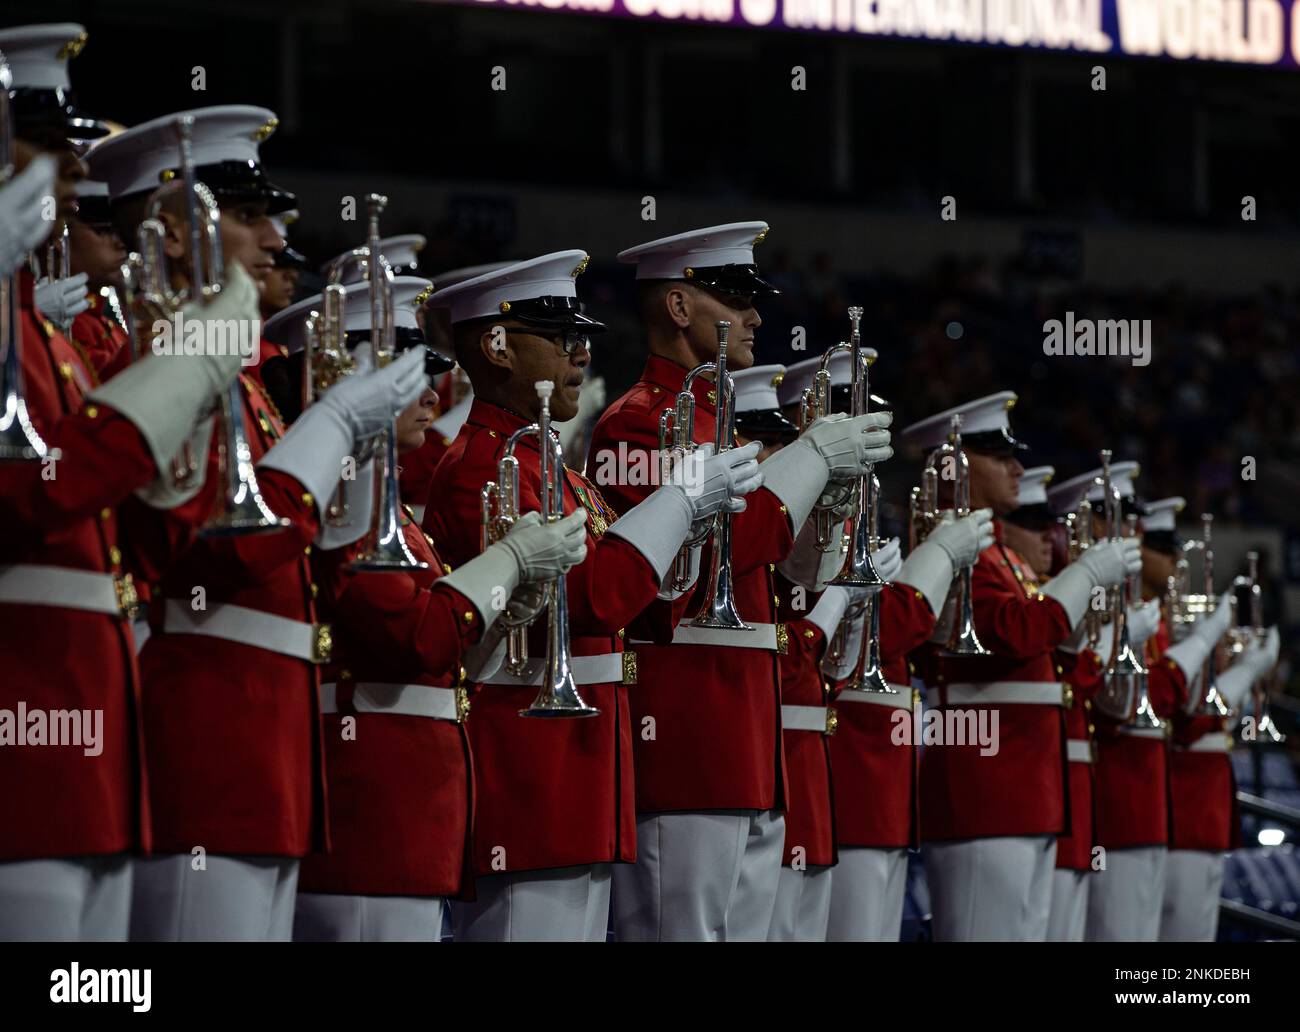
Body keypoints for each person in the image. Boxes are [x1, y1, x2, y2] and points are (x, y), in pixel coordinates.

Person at [89, 104, 429, 941]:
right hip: (206, 733)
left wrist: (350, 479)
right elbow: (214, 557)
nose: (278, 240)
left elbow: (302, 564)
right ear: (173, 236)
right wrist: (330, 430)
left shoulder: (240, 388)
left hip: (265, 742)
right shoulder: (154, 366)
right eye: (247, 218)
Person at [0, 26, 258, 941]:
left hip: (89, 737)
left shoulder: (45, 339)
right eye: (49, 153)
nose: (74, 182)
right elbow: (34, 496)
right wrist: (189, 366)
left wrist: (180, 440)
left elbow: (133, 534)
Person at [423, 250, 765, 941]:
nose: (580, 352)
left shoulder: (549, 467)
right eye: (558, 337)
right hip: (532, 773)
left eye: (580, 336)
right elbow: (593, 600)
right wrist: (679, 502)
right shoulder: (481, 467)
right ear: (495, 346)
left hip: (583, 770)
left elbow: (634, 596)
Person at [256, 279, 589, 940]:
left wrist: (509, 603)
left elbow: (452, 648)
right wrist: (511, 563)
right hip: (375, 816)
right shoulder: (345, 506)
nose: (431, 390)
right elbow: (418, 638)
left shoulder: (385, 513)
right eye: (402, 371)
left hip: (411, 816)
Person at [589, 223, 894, 940]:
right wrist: (814, 455)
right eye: (732, 297)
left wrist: (829, 506)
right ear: (676, 306)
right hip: (690, 736)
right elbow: (736, 539)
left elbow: (791, 568)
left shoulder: (720, 425)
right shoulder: (635, 423)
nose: (756, 315)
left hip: (750, 738)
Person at [900, 393, 1140, 941]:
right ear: (955, 465)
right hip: (987, 790)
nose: (1018, 469)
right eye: (999, 457)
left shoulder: (999, 556)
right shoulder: (960, 550)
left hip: (1024, 790)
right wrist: (1084, 579)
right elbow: (1013, 631)